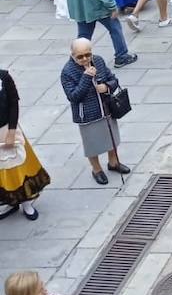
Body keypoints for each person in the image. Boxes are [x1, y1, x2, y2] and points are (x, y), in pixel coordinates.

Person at [60, 38, 130, 185]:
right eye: (80, 56)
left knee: (112, 137)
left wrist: (107, 86)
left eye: (88, 54)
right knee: (92, 144)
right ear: (72, 55)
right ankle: (96, 169)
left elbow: (113, 79)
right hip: (87, 114)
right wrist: (86, 77)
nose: (85, 59)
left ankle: (113, 162)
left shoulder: (98, 60)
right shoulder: (67, 72)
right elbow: (73, 96)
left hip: (106, 108)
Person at [0, 68, 49, 221]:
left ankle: (27, 203)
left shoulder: (3, 77)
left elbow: (14, 104)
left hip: (7, 130)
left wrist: (11, 132)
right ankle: (10, 202)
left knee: (18, 168)